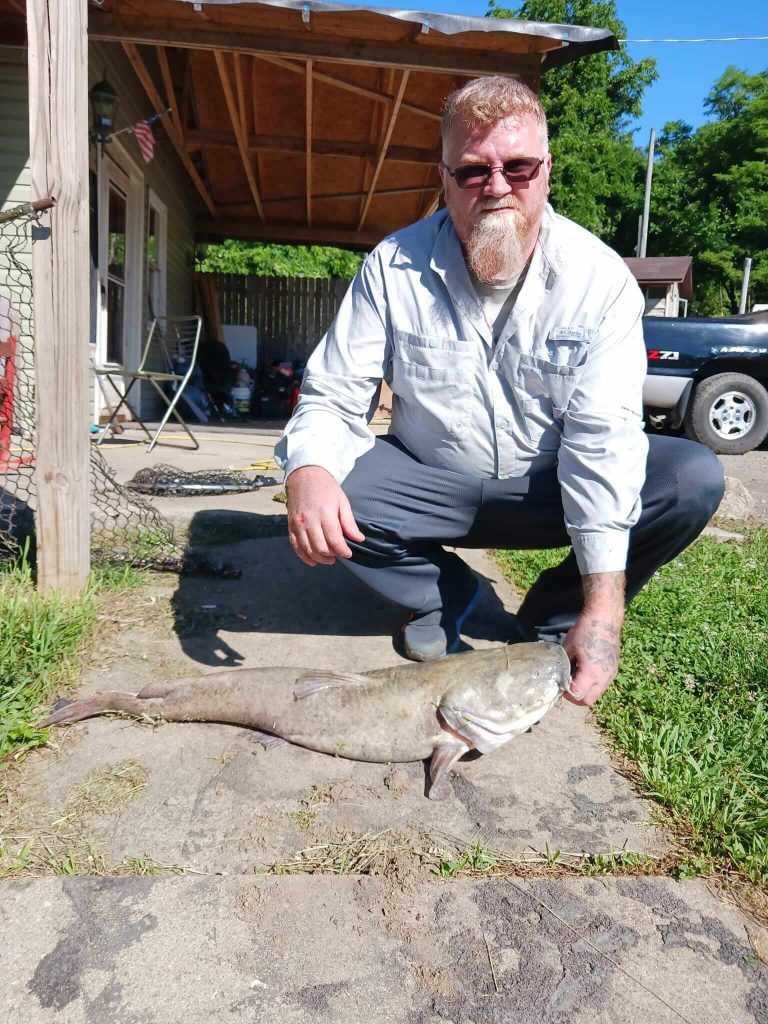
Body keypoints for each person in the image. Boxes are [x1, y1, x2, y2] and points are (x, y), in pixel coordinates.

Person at [274, 76, 724, 708]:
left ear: (546, 169)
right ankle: (446, 597)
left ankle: (557, 613)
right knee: (323, 480)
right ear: (444, 174)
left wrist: (604, 610)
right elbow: (331, 394)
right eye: (472, 171)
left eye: (518, 166)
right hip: (429, 481)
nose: (497, 187)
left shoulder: (599, 282)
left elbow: (603, 443)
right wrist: (310, 473)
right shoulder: (390, 266)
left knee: (691, 476)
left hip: (548, 485)